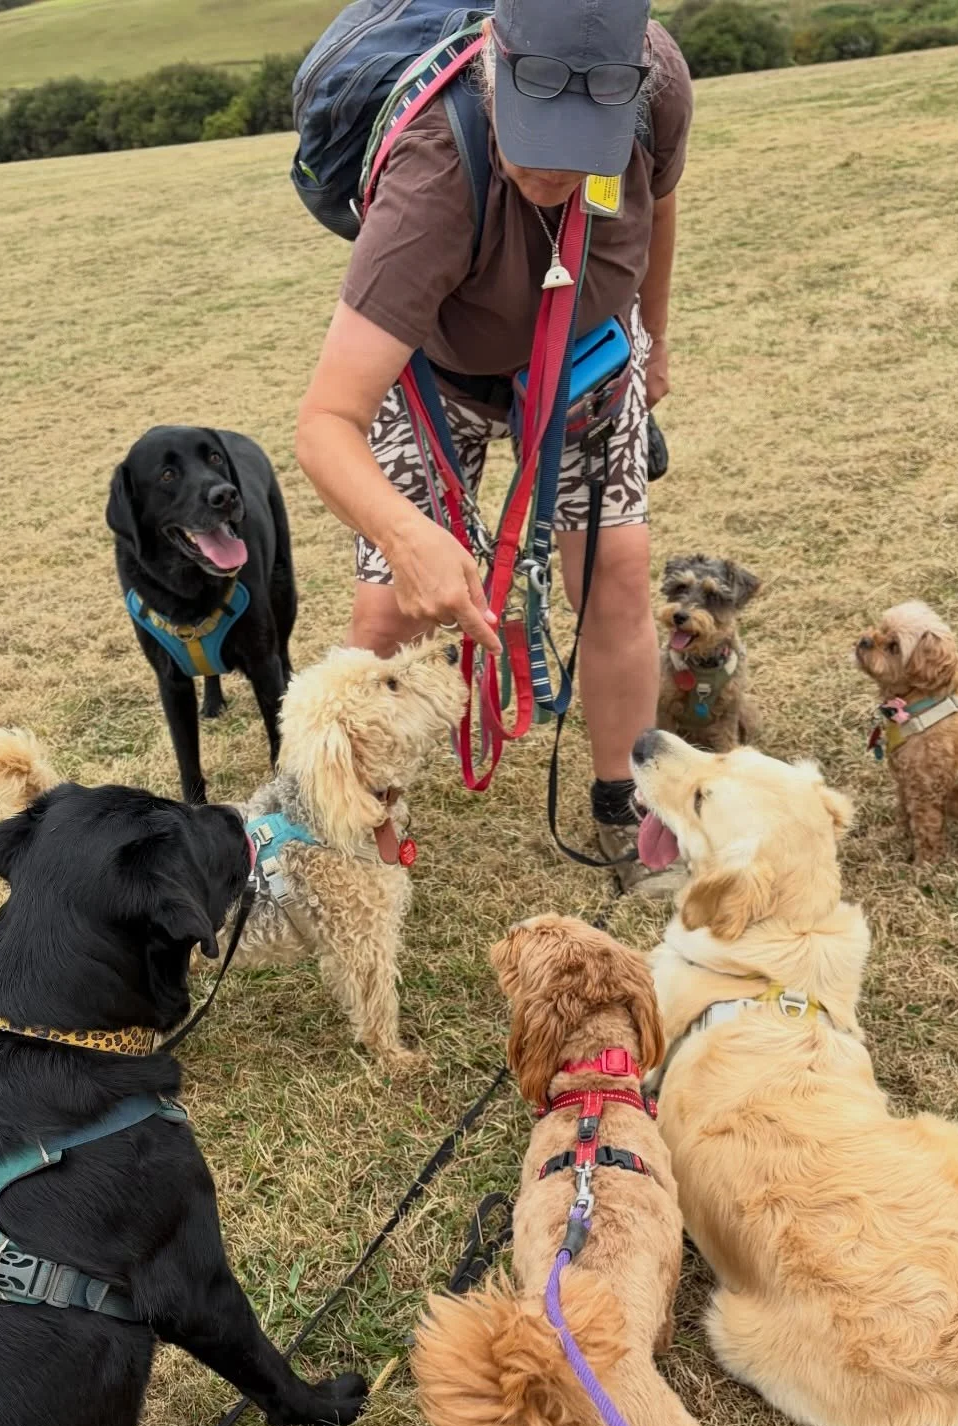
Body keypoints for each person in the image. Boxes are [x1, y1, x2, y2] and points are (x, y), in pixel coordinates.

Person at [295, 0, 693, 893]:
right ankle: (360, 837)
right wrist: (407, 537)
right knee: (386, 615)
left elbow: (658, 209)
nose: (557, 168)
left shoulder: (657, 82)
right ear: (493, 64)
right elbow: (325, 424)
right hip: (442, 379)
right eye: (538, 134)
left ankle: (622, 809)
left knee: (620, 573)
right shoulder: (434, 177)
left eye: (581, 142)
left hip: (592, 358)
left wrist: (655, 339)